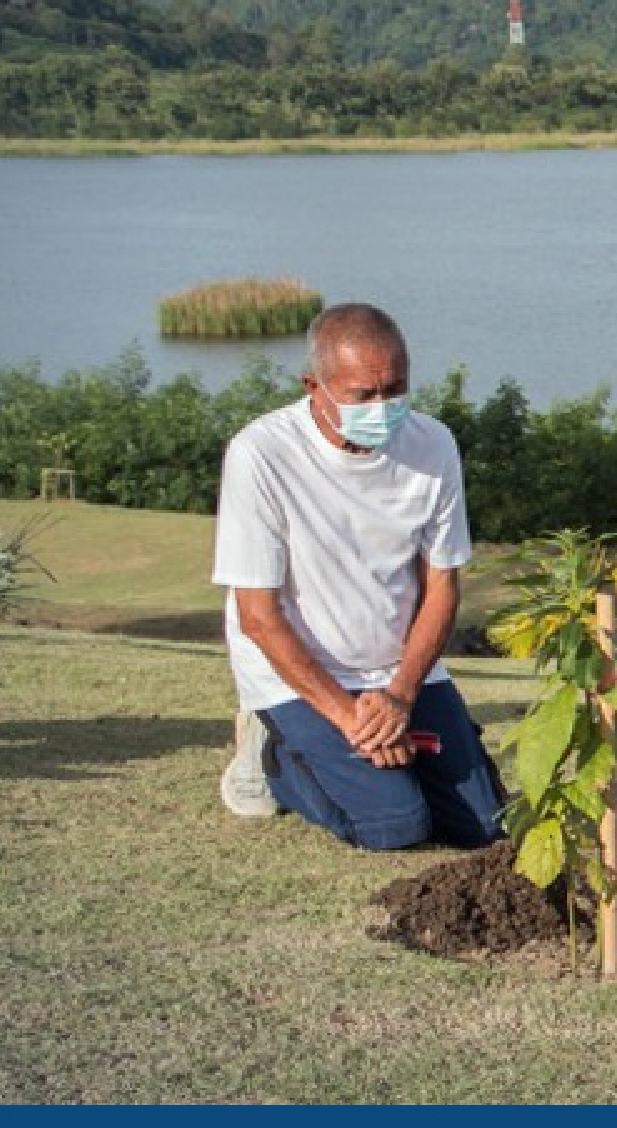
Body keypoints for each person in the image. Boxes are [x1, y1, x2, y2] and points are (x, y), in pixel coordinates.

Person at [211, 303, 505, 850]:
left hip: (397, 671)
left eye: (395, 390)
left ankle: (395, 759)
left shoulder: (433, 444)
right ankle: (271, 752)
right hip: (298, 674)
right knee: (394, 825)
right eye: (363, 395)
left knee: (483, 826)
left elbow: (442, 586)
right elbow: (258, 616)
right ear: (314, 386)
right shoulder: (261, 454)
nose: (382, 408)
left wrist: (400, 695)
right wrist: (351, 721)